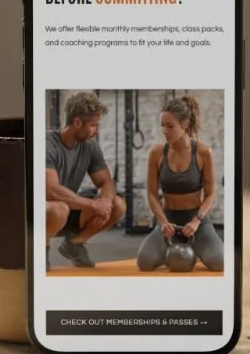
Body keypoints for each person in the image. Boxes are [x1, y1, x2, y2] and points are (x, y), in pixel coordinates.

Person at [136, 94, 224, 272]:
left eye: (170, 126)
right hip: (169, 221)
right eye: (162, 125)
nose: (165, 131)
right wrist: (162, 222)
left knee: (219, 263)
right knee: (144, 263)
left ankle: (193, 248)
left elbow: (210, 194)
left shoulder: (203, 152)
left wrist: (196, 221)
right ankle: (176, 249)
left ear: (184, 125)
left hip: (195, 221)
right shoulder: (157, 153)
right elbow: (152, 194)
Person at [46, 91, 126, 268]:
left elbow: (106, 182)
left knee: (117, 204)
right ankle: (39, 249)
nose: (96, 131)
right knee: (59, 209)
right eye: (93, 125)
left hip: (69, 209)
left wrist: (104, 203)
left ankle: (74, 244)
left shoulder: (90, 146)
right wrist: (92, 205)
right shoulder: (47, 144)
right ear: (77, 122)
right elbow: (50, 190)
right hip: (45, 212)